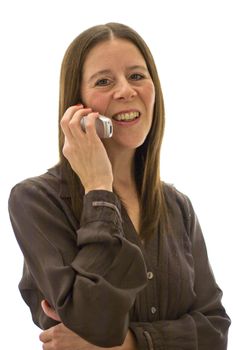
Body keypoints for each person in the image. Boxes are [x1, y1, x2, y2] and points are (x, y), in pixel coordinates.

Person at [8, 22, 230, 350]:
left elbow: (215, 330)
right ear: (77, 105)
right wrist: (99, 188)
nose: (126, 90)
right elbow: (94, 321)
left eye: (137, 76)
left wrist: (130, 344)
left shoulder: (177, 206)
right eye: (104, 81)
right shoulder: (35, 200)